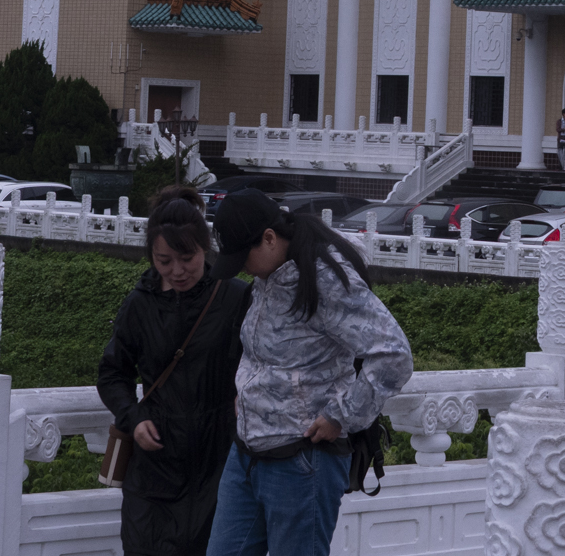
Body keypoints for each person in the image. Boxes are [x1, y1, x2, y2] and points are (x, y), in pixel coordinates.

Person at [206, 188, 413, 556]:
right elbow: (261, 353)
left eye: (242, 256)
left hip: (301, 459)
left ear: (270, 238)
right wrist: (245, 390)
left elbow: (393, 355)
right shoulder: (269, 276)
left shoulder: (325, 280)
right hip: (246, 453)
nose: (242, 268)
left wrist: (341, 415)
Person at [97, 185, 252, 556]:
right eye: (164, 260)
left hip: (219, 459)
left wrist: (245, 394)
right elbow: (112, 373)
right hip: (154, 465)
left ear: (205, 248)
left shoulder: (234, 297)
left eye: (187, 258)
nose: (177, 271)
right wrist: (134, 419)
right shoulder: (140, 304)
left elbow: (264, 359)